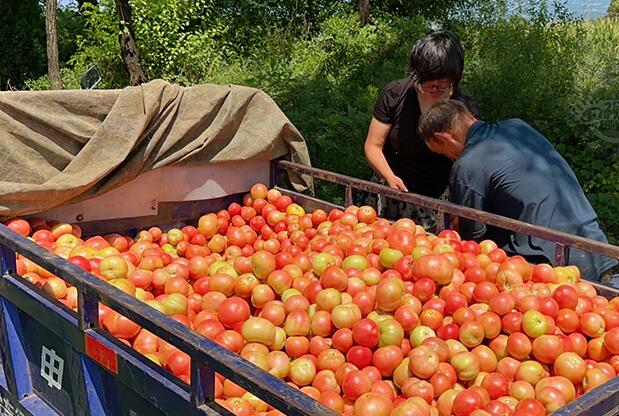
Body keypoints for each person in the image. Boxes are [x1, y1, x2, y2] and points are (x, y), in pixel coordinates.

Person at [417, 99, 618, 280]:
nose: (451, 158)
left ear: (444, 137)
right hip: (595, 244)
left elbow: (473, 241)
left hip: (549, 265)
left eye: (444, 153)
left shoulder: (467, 165)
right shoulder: (518, 126)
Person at [362, 30, 480, 228]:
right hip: (392, 187)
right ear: (416, 75)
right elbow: (373, 145)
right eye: (428, 83)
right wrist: (389, 177)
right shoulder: (395, 94)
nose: (435, 89)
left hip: (437, 197)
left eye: (443, 84)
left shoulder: (464, 109)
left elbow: (470, 163)